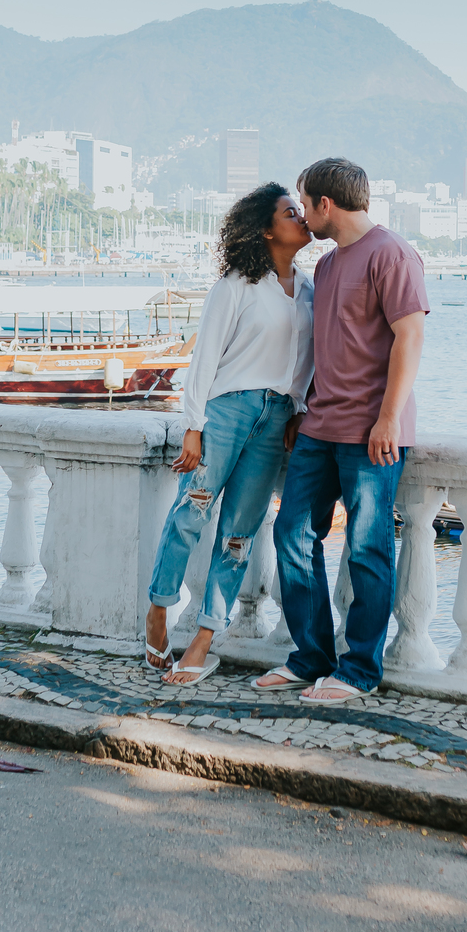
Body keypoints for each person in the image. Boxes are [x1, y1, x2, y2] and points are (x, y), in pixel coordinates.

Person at [256, 156, 427, 702]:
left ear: (326, 204)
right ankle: (311, 656)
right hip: (320, 424)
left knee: (366, 549)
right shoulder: (328, 266)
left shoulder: (392, 254)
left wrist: (388, 418)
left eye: (306, 204)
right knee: (292, 534)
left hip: (373, 432)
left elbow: (410, 339)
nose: (304, 215)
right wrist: (304, 408)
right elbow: (326, 346)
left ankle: (358, 671)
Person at [144, 182, 315, 686]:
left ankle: (202, 640)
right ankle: (158, 609)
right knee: (190, 515)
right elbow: (205, 358)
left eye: (301, 211)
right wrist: (193, 425)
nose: (302, 218)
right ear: (266, 229)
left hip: (276, 418)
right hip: (226, 413)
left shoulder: (309, 289)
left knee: (239, 534)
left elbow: (305, 361)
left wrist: (300, 409)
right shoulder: (237, 284)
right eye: (290, 212)